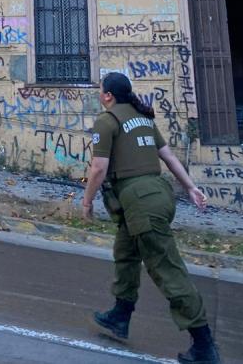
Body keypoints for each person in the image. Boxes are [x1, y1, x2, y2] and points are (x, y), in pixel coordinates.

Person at [79, 71, 221, 364]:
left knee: (166, 268)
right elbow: (168, 157)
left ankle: (203, 343)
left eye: (101, 90)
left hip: (140, 202)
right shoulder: (143, 119)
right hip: (156, 195)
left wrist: (86, 201)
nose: (99, 94)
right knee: (126, 253)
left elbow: (98, 169)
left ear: (108, 96)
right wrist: (191, 188)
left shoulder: (106, 122)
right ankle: (120, 314)